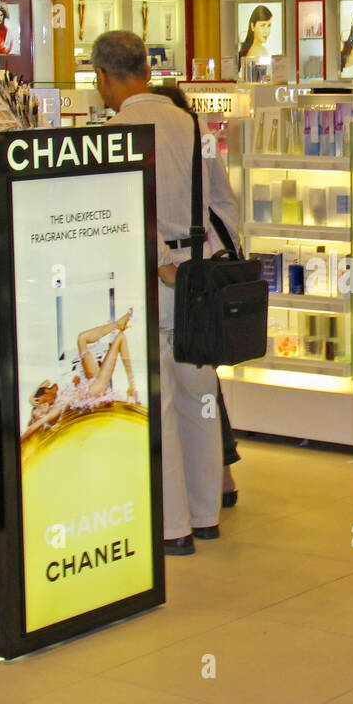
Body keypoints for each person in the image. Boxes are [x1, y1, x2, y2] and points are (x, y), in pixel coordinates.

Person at [91, 31, 241, 555]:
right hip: (199, 277)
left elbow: (123, 214)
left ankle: (172, 527)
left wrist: (160, 261)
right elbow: (224, 201)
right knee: (199, 397)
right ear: (148, 70)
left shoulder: (116, 132)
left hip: (149, 281)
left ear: (104, 77)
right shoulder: (193, 124)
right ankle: (204, 516)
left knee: (160, 405)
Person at [149, 84, 242, 510]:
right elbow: (225, 203)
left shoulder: (159, 138)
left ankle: (191, 504)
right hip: (203, 275)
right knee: (202, 383)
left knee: (182, 393)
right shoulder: (195, 135)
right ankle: (213, 490)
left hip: (178, 280)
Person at [21, 311, 139, 443]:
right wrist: (19, 441)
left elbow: (44, 383)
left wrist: (31, 397)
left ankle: (118, 324)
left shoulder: (51, 394)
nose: (39, 407)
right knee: (119, 338)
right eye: (38, 411)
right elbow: (33, 428)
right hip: (96, 388)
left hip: (89, 380)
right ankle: (133, 386)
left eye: (38, 406)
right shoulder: (55, 410)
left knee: (82, 338)